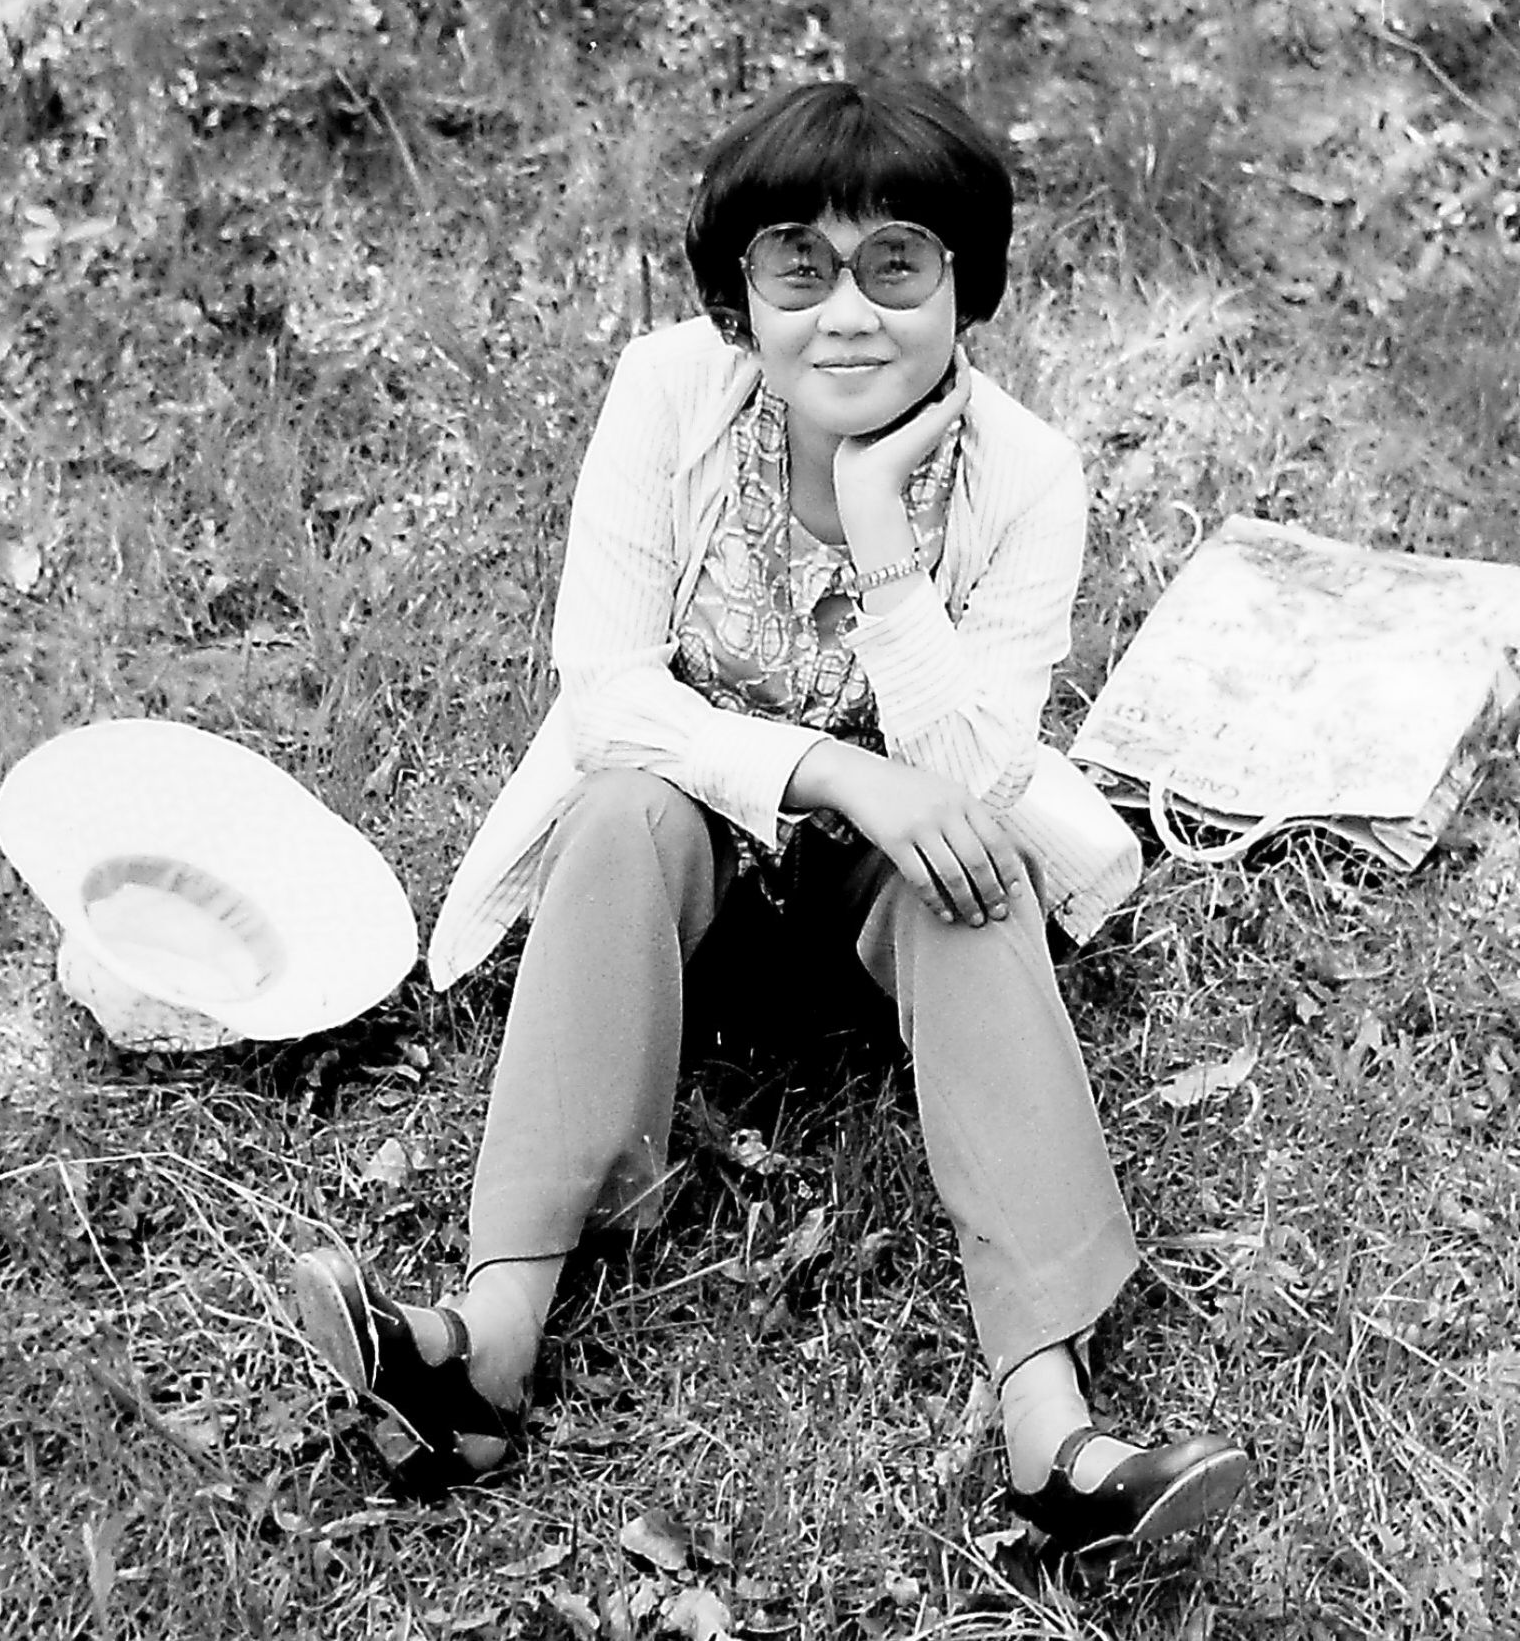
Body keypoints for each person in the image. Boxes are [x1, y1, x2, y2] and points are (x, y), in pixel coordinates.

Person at [294, 77, 1250, 1557]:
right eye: (799, 267)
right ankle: (485, 1347)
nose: (848, 314)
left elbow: (979, 772)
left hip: (888, 934)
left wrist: (882, 543)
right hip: (675, 910)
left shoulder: (1029, 478)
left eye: (897, 265)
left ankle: (1053, 1438)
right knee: (622, 805)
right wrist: (835, 769)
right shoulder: (667, 392)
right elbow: (609, 695)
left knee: (975, 869)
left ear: (967, 290)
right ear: (739, 299)